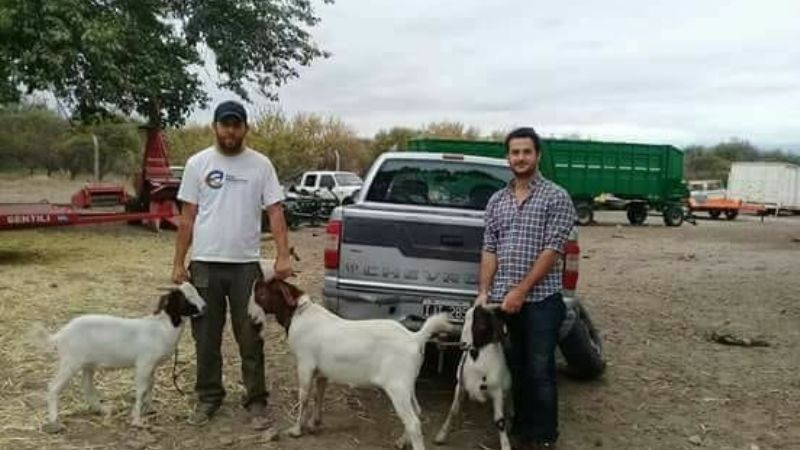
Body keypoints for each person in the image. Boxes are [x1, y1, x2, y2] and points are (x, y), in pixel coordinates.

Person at [172, 100, 293, 429]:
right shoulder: (198, 163)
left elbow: (276, 212)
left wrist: (282, 255)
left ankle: (255, 400)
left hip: (244, 266)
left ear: (245, 128)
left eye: (236, 124)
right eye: (225, 124)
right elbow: (187, 218)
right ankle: (209, 397)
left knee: (250, 335)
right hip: (205, 266)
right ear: (214, 126)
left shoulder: (261, 165)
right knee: (206, 336)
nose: (230, 130)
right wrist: (179, 263)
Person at [476, 127, 576, 449]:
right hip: (504, 301)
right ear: (508, 157)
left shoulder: (556, 197)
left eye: (526, 152)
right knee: (516, 366)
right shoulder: (497, 201)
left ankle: (545, 438)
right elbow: (490, 249)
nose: (520, 158)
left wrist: (521, 291)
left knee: (540, 368)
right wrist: (484, 290)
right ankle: (522, 431)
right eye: (514, 152)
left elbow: (552, 249)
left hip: (541, 299)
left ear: (537, 155)